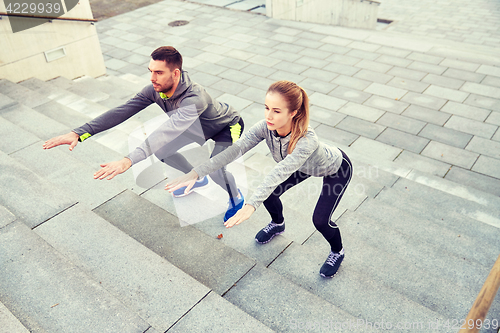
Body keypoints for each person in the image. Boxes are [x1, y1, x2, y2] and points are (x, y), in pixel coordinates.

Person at [166, 80, 353, 278]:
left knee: (320, 220)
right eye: (267, 108)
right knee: (270, 194)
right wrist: (196, 172)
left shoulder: (307, 140)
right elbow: (235, 150)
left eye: (277, 111)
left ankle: (337, 251)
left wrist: (251, 204)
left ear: (293, 113)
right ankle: (278, 223)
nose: (269, 116)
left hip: (335, 169)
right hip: (302, 165)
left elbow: (280, 171)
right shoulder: (265, 127)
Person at [43, 46, 245, 221]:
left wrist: (128, 160)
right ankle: (196, 179)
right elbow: (122, 111)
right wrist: (80, 133)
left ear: (175, 74)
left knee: (217, 169)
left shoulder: (194, 100)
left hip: (225, 127)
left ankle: (236, 197)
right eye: (150, 71)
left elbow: (164, 133)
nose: (152, 78)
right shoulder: (154, 90)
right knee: (163, 151)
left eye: (158, 72)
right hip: (194, 128)